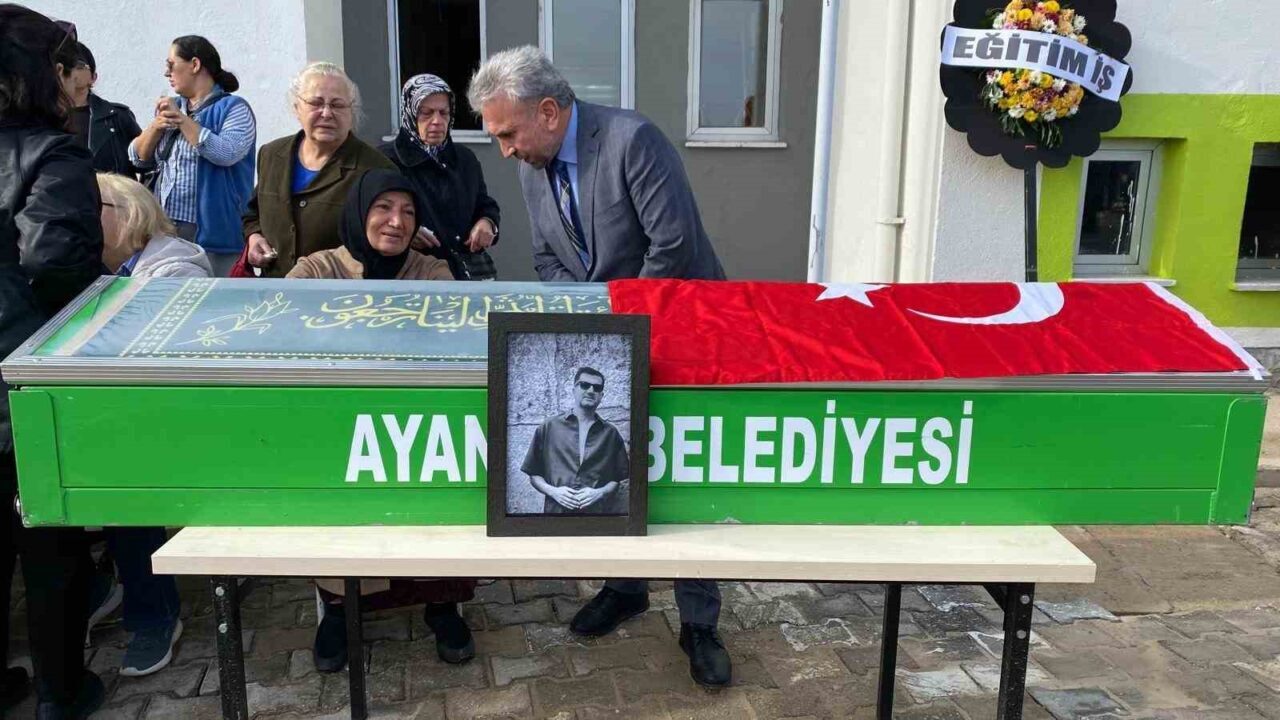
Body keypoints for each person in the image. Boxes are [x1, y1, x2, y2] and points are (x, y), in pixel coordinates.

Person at [469, 45, 730, 687]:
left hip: (681, 327)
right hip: (613, 336)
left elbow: (672, 246)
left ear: (548, 112)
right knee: (613, 460)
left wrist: (619, 327)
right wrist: (596, 324)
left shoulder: (632, 140)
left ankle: (699, 621)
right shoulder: (533, 166)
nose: (503, 151)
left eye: (507, 133)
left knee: (677, 475)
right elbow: (548, 258)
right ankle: (626, 587)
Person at [286, 169, 472, 672]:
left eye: (408, 212)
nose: (396, 222)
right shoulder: (319, 269)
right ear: (359, 211)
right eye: (383, 208)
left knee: (439, 501)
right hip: (340, 424)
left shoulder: (431, 271)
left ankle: (442, 605)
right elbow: (286, 326)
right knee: (337, 507)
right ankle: (339, 610)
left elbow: (451, 333)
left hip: (417, 417)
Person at [0, 6, 107, 716]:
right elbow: (57, 266)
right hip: (25, 381)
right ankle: (61, 695)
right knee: (50, 548)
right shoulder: (52, 154)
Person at [93, 173, 199, 674]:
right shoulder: (106, 270)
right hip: (128, 410)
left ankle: (154, 613)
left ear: (128, 212)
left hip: (176, 417)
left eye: (93, 207)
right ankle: (101, 587)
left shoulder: (173, 271)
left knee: (120, 473)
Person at [243, 62, 393, 277]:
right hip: (276, 289)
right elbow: (253, 212)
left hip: (339, 291)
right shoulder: (272, 155)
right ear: (297, 108)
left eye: (337, 105)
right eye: (316, 103)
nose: (326, 113)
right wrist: (254, 236)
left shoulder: (376, 169)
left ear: (351, 111)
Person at [128, 35, 255, 276]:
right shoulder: (174, 106)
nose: (167, 73)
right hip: (166, 229)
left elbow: (226, 153)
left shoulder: (234, 108)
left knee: (218, 294)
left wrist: (182, 120)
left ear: (195, 65)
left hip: (216, 232)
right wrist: (155, 127)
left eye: (171, 64)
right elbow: (137, 158)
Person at [380, 74, 500, 280]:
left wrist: (487, 222)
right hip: (415, 274)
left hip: (468, 273)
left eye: (444, 113)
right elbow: (371, 218)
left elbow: (484, 203)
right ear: (409, 113)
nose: (437, 121)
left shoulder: (464, 159)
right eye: (426, 113)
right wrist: (407, 232)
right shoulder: (387, 161)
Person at [522, 367, 628, 515]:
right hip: (555, 516)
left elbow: (616, 479)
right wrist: (553, 492)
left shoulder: (611, 434)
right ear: (574, 390)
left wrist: (599, 493)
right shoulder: (549, 427)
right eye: (584, 385)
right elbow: (533, 474)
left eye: (597, 388)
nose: (591, 390)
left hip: (596, 518)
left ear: (601, 395)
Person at [58, 41, 140, 178]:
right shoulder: (43, 117)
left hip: (109, 190)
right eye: (64, 65)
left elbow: (144, 161)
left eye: (78, 65)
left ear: (93, 77)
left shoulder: (117, 117)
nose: (70, 71)